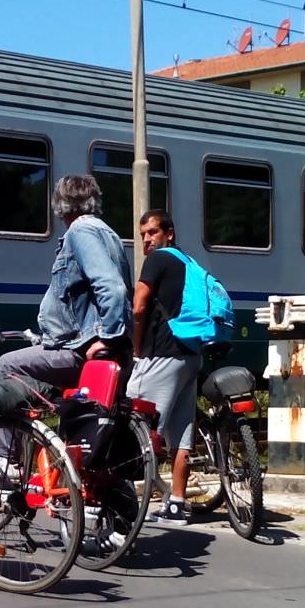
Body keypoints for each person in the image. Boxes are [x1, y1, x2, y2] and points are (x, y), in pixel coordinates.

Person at [0, 172, 133, 426]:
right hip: (99, 347)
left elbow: (113, 287)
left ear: (60, 205)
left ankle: (5, 458)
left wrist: (107, 339)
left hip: (83, 350)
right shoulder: (108, 232)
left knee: (6, 365)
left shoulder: (80, 231)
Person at [126, 210, 203, 524]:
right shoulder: (189, 262)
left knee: (129, 426)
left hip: (162, 355)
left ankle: (123, 506)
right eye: (143, 234)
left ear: (169, 233)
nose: (147, 240)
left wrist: (135, 348)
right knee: (181, 434)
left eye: (153, 232)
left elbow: (139, 306)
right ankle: (176, 506)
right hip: (190, 356)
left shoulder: (158, 260)